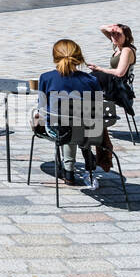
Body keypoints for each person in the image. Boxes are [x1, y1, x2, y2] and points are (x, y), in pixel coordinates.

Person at [33, 39, 103, 186]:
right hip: (88, 131)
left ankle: (69, 172)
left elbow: (42, 109)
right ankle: (84, 152)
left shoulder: (46, 78)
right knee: (78, 122)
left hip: (57, 130)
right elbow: (98, 111)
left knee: (60, 122)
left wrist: (37, 117)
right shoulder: (91, 80)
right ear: (78, 56)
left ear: (55, 56)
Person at [90, 23, 136, 101]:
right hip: (112, 83)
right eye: (113, 34)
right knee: (88, 79)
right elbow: (101, 28)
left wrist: (100, 69)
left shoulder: (126, 50)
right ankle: (92, 108)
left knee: (89, 79)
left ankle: (89, 108)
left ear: (127, 37)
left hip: (118, 87)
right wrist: (110, 28)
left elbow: (119, 73)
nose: (115, 36)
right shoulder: (119, 45)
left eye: (119, 34)